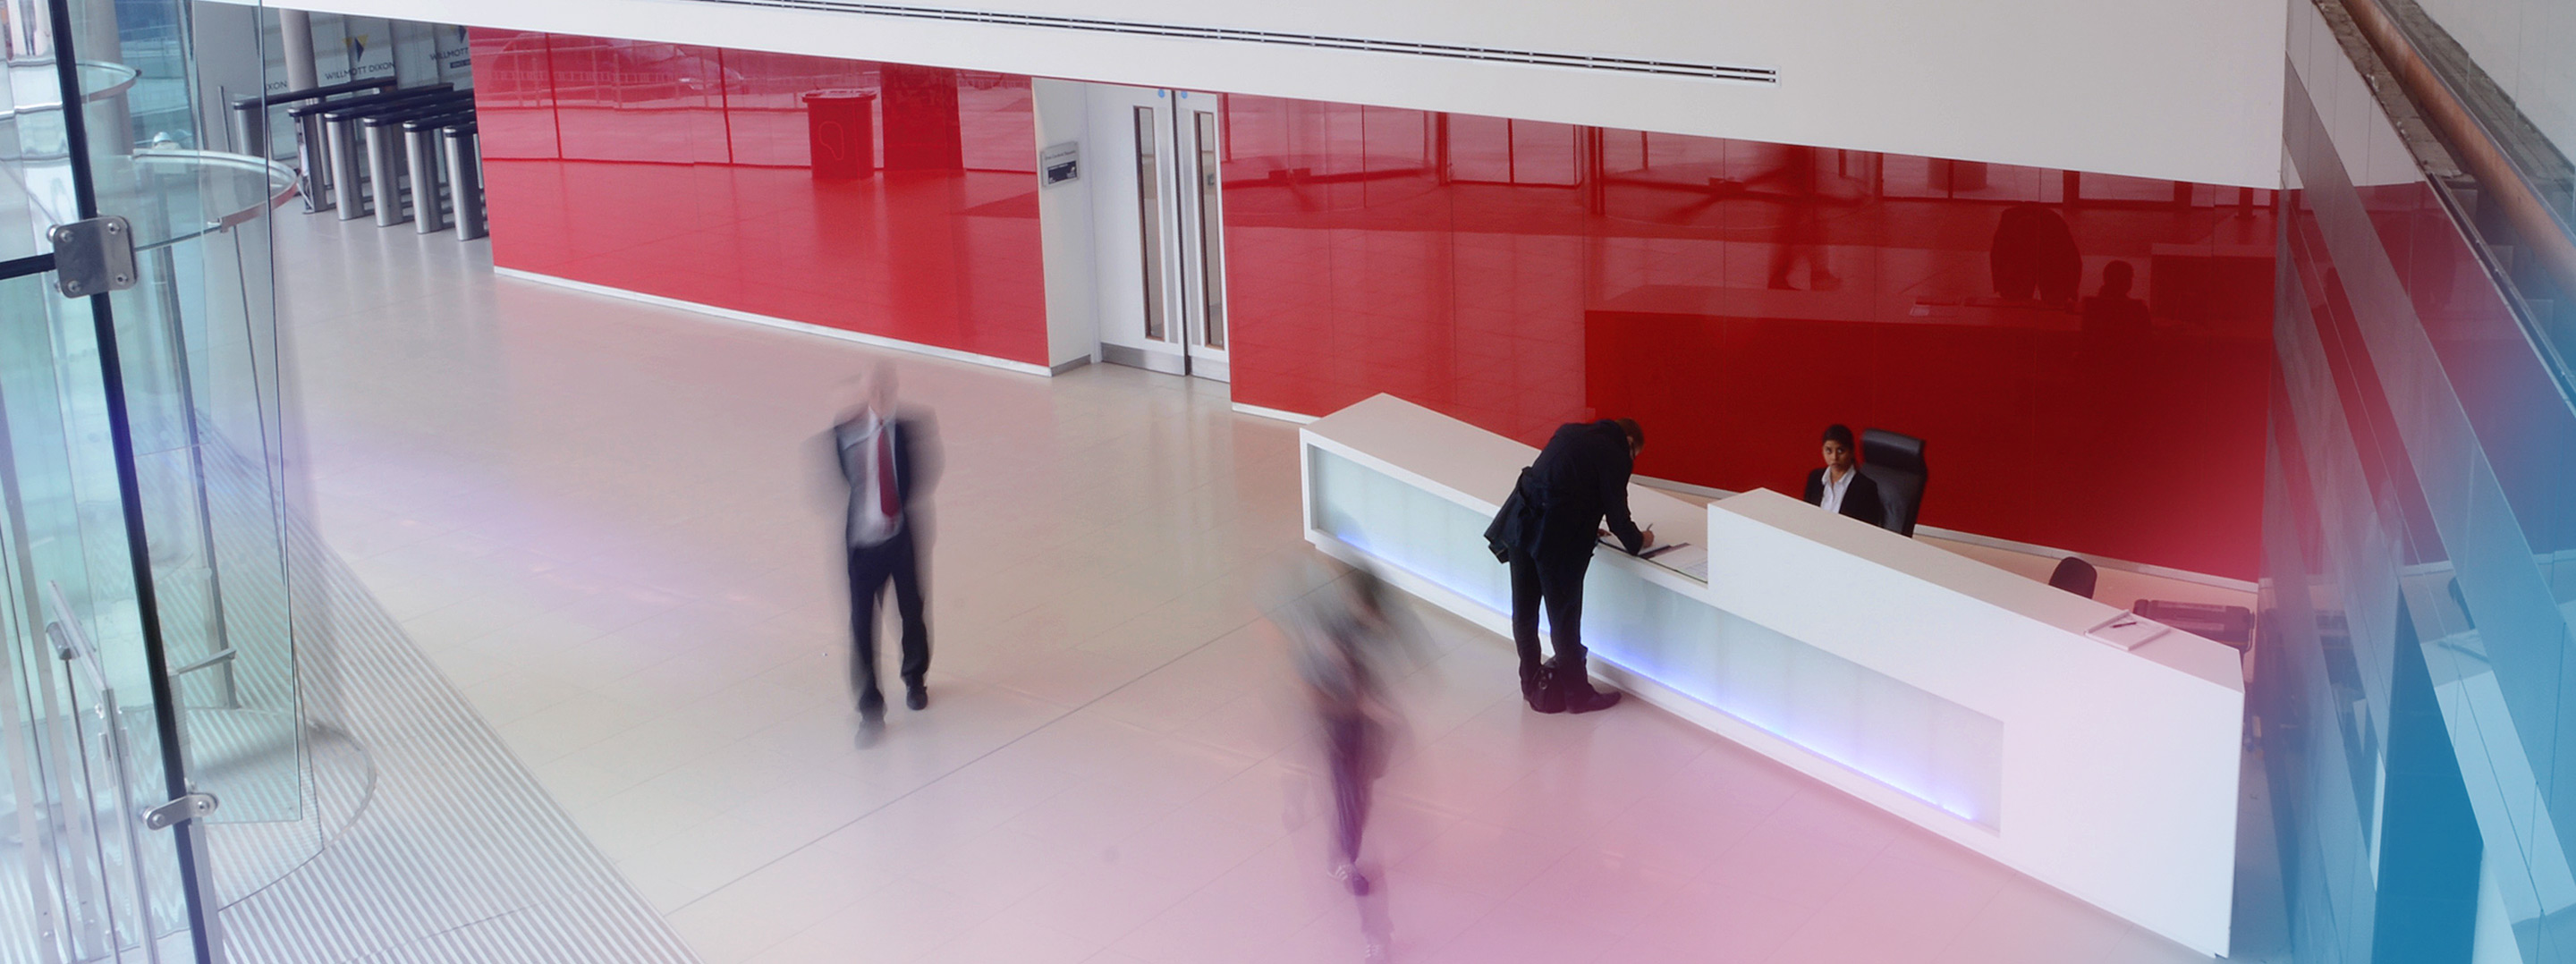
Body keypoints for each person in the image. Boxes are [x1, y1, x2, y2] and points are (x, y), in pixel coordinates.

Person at [1281, 563, 1419, 963]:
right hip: (1340, 739)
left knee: (1357, 810)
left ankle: (1342, 851)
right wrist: (1357, 705)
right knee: (1356, 829)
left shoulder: (1360, 634)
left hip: (1360, 740)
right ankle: (1376, 930)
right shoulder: (1327, 636)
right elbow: (1309, 690)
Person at [1485, 418, 1650, 715]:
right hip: (1554, 538)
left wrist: (1587, 523)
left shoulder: (1570, 430)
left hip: (1521, 523)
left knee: (1524, 612)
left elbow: (1562, 483)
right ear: (1628, 442)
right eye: (1634, 454)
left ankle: (1530, 682)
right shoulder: (1615, 453)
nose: (1631, 461)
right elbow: (1618, 517)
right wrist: (1640, 540)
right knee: (1563, 617)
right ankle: (1578, 696)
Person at [826, 365, 940, 725]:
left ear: (891, 390)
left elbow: (920, 478)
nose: (876, 396)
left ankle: (914, 679)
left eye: (882, 389)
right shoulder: (844, 433)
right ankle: (870, 708)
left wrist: (892, 513)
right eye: (870, 390)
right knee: (861, 626)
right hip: (862, 548)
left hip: (900, 539)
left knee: (911, 612)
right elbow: (841, 481)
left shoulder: (910, 428)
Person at [1803, 424, 1885, 528]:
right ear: (1822, 450)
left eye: (1840, 451)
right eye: (1829, 450)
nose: (1834, 457)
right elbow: (1806, 516)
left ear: (1851, 452)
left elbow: (1867, 531)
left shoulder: (1866, 488)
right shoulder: (1815, 478)